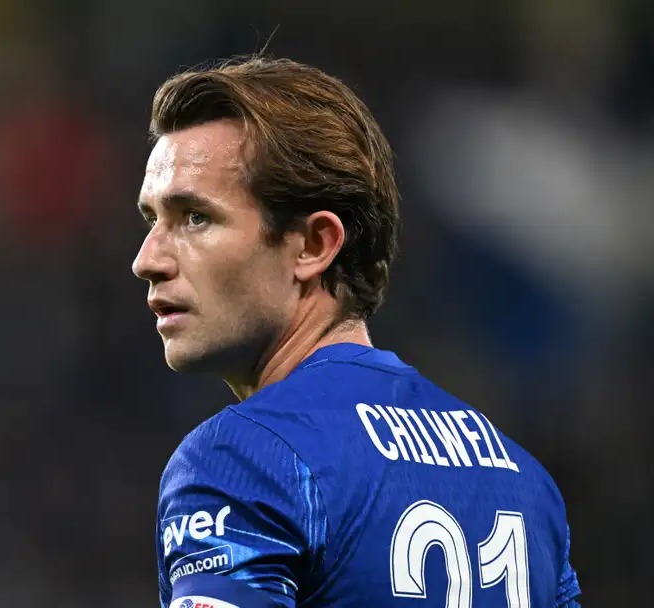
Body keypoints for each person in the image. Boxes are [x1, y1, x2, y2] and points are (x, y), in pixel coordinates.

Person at [132, 56, 581, 608]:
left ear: (313, 245)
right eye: (151, 219)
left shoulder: (245, 459)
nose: (147, 259)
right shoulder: (525, 485)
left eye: (195, 217)